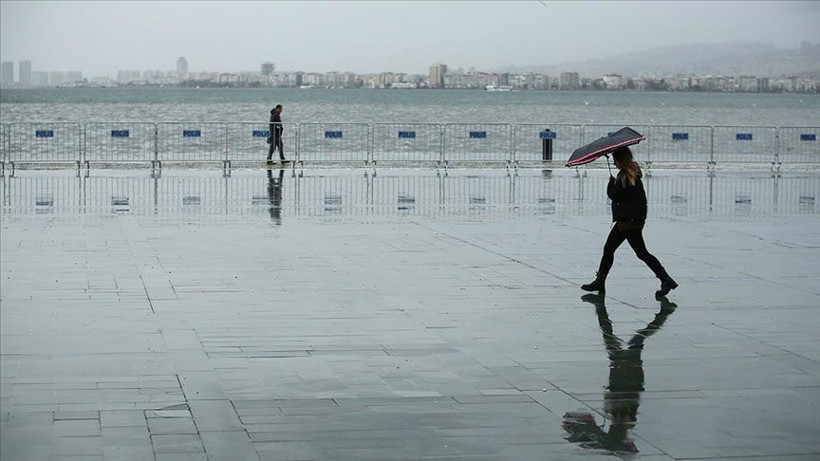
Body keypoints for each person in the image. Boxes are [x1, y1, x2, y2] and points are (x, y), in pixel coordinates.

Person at [563, 293, 677, 453]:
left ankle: (662, 316)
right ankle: (662, 316)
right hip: (626, 375)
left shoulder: (624, 419)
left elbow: (625, 395)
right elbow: (622, 395)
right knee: (633, 340)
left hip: (626, 376)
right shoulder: (623, 418)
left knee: (632, 340)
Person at [581, 146, 677, 298]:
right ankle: (666, 279)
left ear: (621, 160)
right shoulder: (632, 173)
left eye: (615, 161)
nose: (614, 164)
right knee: (638, 252)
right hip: (632, 220)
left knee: (613, 250)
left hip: (627, 222)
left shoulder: (625, 176)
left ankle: (600, 281)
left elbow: (615, 195)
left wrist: (610, 183)